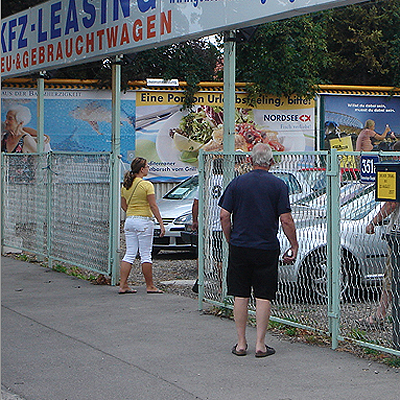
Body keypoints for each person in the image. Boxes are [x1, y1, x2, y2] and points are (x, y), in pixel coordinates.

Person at [219, 143, 298, 357]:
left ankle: (241, 343)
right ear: (271, 162)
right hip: (266, 246)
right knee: (263, 295)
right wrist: (294, 244)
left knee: (240, 293)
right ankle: (261, 344)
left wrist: (230, 238)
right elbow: (286, 219)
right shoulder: (279, 185)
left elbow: (224, 215)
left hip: (240, 246)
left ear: (249, 160)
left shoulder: (237, 183)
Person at [119, 157, 165, 294]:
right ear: (141, 169)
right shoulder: (147, 185)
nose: (148, 168)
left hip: (130, 220)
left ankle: (123, 285)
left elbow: (123, 205)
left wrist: (132, 213)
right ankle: (150, 285)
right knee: (145, 254)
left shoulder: (126, 185)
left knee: (129, 253)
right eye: (147, 166)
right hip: (144, 221)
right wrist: (161, 223)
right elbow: (153, 205)